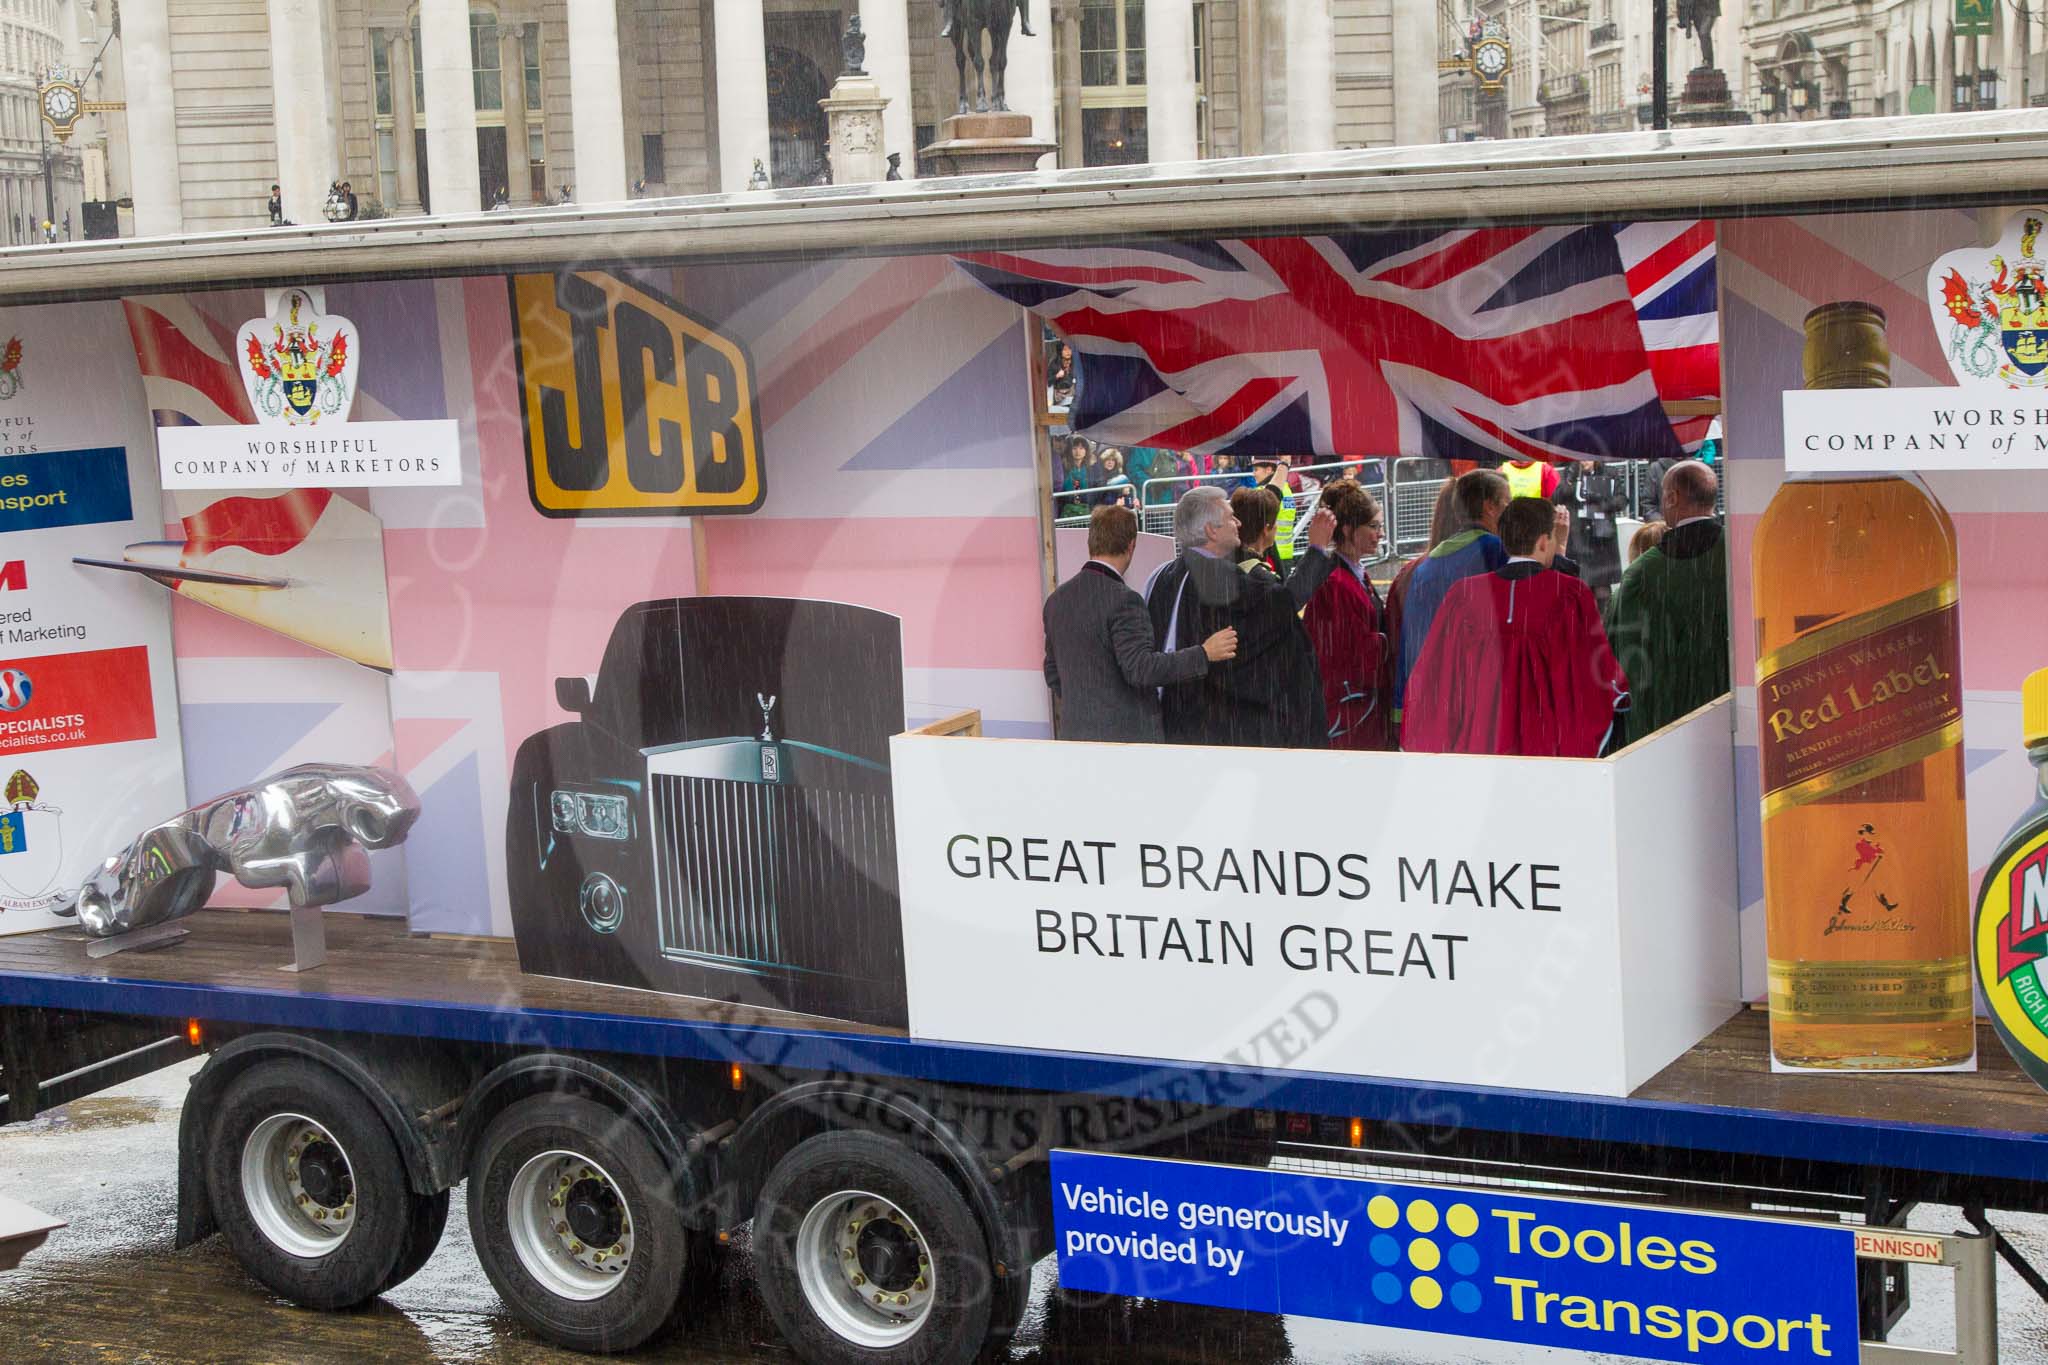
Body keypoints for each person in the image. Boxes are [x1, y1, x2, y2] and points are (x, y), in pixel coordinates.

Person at [1403, 497, 1630, 759]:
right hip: (1545, 749)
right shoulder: (1568, 593)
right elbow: (1593, 672)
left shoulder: (1465, 595)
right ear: (1545, 541)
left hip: (1480, 749)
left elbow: (1436, 673)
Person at [1145, 487, 1326, 748]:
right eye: (1231, 517)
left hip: (1173, 723)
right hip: (1212, 730)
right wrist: (1317, 549)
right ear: (1211, 530)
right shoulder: (1221, 578)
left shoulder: (1162, 576)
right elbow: (1285, 604)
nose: (1238, 523)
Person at [1044, 505, 1236, 743]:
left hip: (1075, 736)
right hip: (1126, 742)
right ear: (1131, 545)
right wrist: (1204, 654)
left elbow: (1053, 674)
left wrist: (1088, 703)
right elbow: (1141, 669)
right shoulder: (1125, 601)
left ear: (1091, 542)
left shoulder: (1056, 601)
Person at [1603, 460, 1729, 746]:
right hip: (1733, 717)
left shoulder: (1641, 575)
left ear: (1671, 497)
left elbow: (1619, 655)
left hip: (1663, 731)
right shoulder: (1741, 555)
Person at [1394, 469, 1510, 716]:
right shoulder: (1493, 549)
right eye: (1507, 503)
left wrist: (1400, 705)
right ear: (1490, 507)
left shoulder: (1425, 567)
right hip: (1475, 696)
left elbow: (1410, 640)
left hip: (1431, 696)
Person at [1302, 479, 1392, 750]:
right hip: (1350, 714)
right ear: (1349, 529)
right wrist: (1390, 640)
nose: (1380, 534)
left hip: (1357, 708)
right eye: (1373, 526)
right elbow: (1348, 654)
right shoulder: (1336, 583)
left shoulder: (1350, 574)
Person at [1557, 459, 1627, 605]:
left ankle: (1603, 624)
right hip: (1579, 540)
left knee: (1603, 590)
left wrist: (1602, 503)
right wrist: (1571, 479)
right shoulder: (1570, 473)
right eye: (1581, 458)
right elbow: (1557, 497)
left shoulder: (1609, 473)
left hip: (1602, 539)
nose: (1584, 462)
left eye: (1588, 457)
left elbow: (1622, 501)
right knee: (1580, 588)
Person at [1251, 457, 1297, 571]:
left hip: (1270, 553)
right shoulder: (1287, 490)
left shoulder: (1264, 492)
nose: (1253, 474)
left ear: (1268, 470)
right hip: (1286, 553)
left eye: (1256, 469)